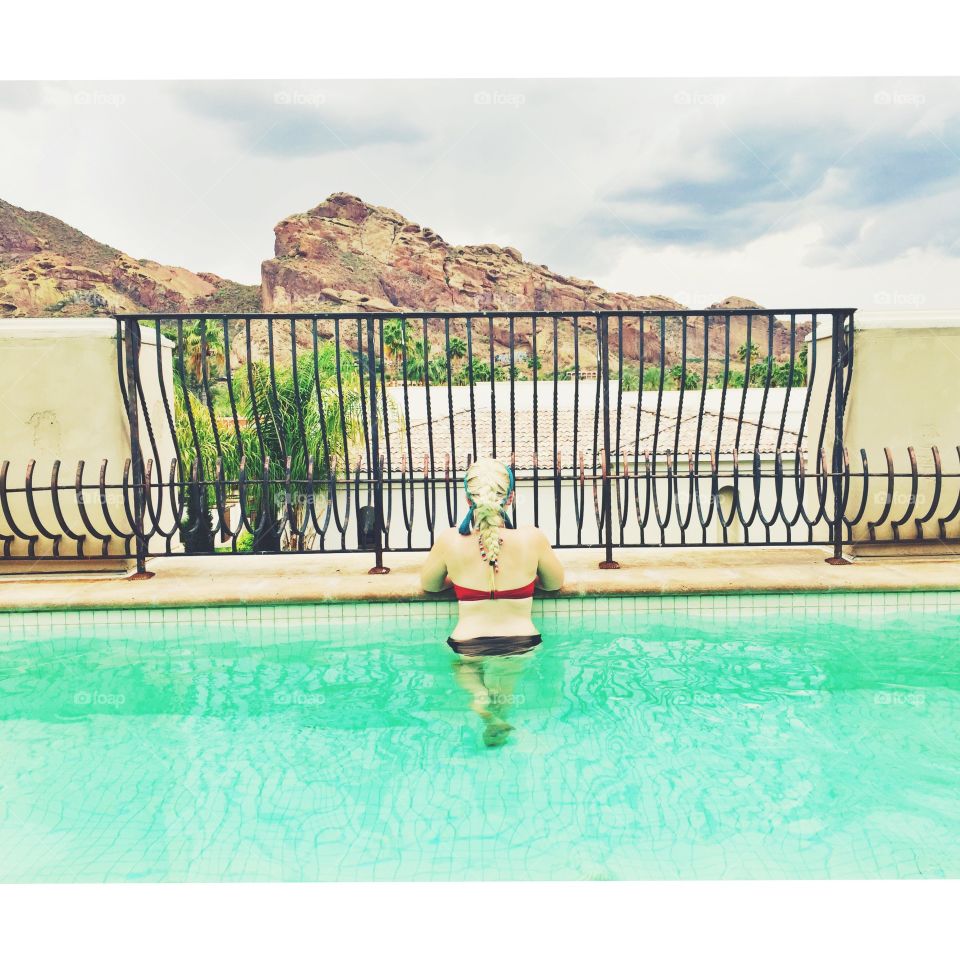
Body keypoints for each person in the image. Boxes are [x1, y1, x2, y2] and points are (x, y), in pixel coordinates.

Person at [420, 457, 564, 746]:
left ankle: (478, 696)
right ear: (511, 497)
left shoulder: (449, 541)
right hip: (519, 642)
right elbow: (555, 583)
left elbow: (430, 586)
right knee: (505, 695)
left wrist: (459, 579)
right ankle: (495, 714)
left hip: (467, 643)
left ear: (467, 498)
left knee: (466, 672)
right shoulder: (532, 538)